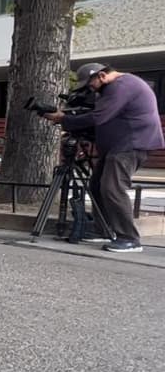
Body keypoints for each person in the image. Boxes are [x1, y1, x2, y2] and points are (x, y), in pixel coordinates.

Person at [43, 63, 165, 253]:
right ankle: (103, 230)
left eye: (90, 84)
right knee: (97, 185)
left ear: (101, 76)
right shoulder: (120, 87)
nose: (90, 89)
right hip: (119, 146)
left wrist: (64, 119)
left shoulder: (121, 85)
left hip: (130, 145)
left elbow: (99, 117)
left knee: (112, 188)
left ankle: (130, 239)